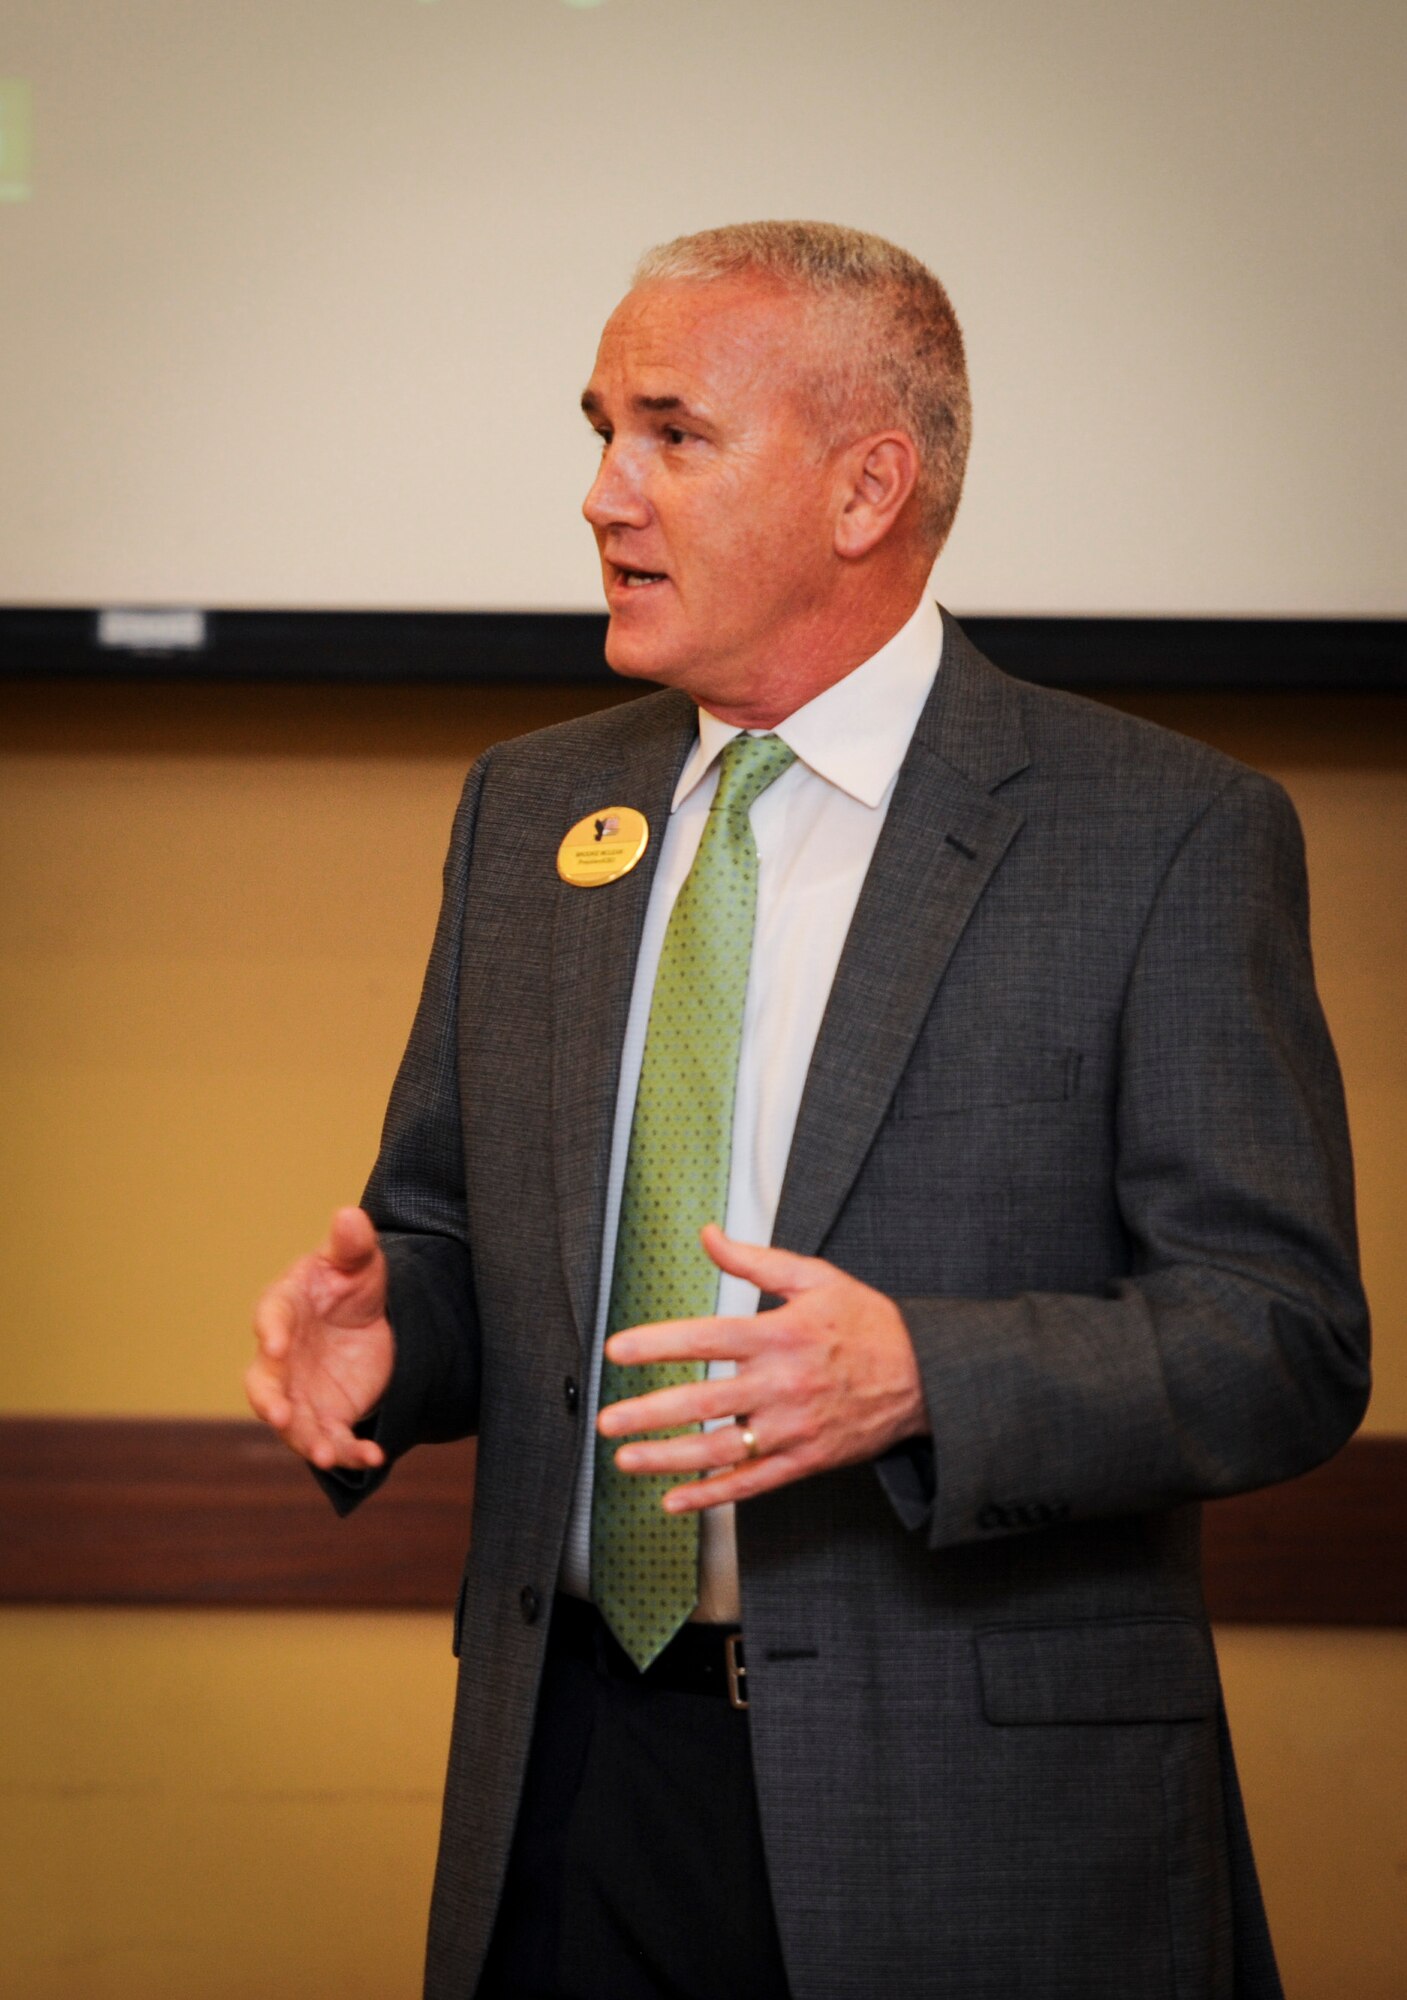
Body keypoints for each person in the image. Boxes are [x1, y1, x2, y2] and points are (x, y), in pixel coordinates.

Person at [247, 222, 1370, 2000]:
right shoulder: (531, 813)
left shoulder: (1162, 835)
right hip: (575, 1776)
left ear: (866, 489)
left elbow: (1282, 1338)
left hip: (973, 1812)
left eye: (673, 436)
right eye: (601, 431)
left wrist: (927, 1374)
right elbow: (451, 1234)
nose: (604, 494)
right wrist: (399, 1341)